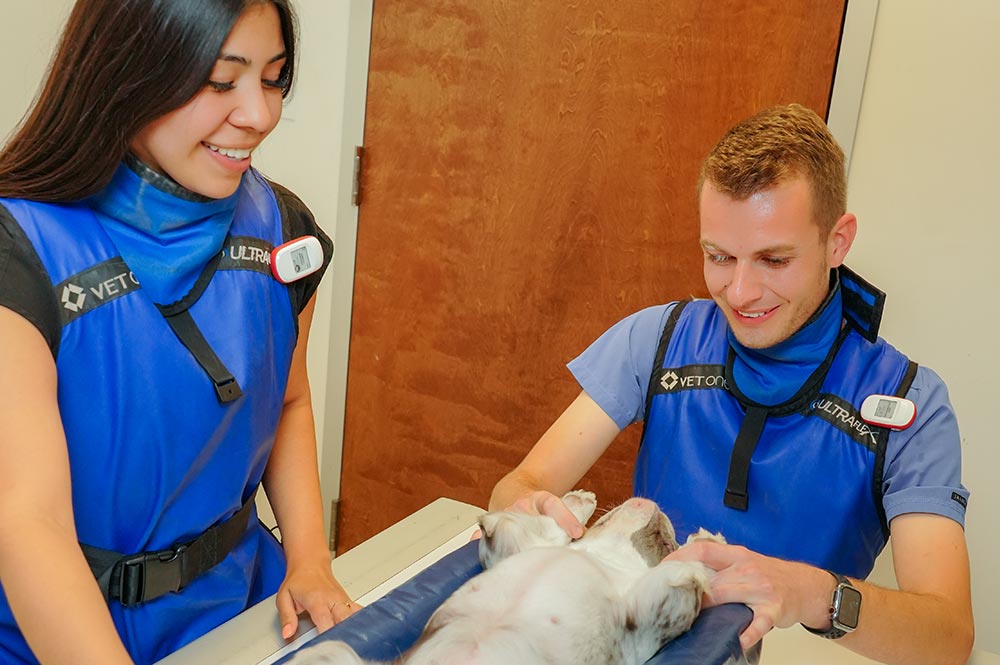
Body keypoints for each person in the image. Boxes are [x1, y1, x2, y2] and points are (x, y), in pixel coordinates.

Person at [491, 104, 974, 664]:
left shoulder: (912, 404)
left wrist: (810, 593)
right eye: (719, 256)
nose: (740, 292)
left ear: (837, 242)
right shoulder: (658, 338)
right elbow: (519, 484)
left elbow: (947, 638)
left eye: (774, 260)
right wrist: (525, 512)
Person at [0, 1, 357, 663]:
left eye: (273, 77)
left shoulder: (280, 225)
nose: (260, 114)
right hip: (56, 633)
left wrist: (309, 559)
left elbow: (290, 400)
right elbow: (29, 522)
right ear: (128, 72)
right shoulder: (20, 252)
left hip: (238, 608)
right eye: (222, 82)